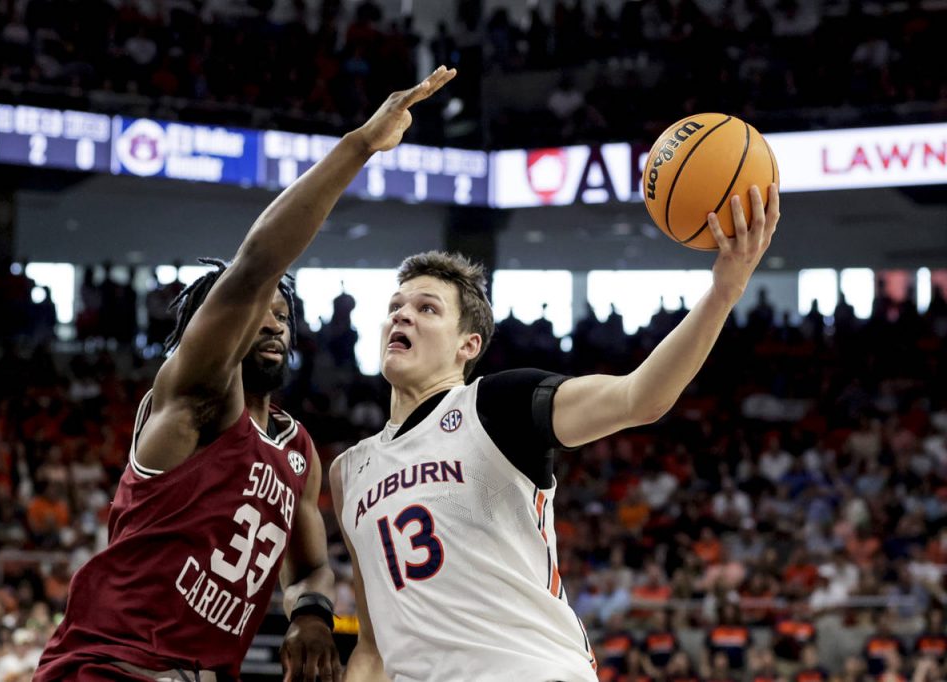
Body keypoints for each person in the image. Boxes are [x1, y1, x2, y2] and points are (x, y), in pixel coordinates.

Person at [34, 66, 458, 682]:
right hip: (112, 665)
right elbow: (259, 262)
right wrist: (360, 145)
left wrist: (310, 616)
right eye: (261, 311)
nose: (274, 323)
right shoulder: (197, 394)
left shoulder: (298, 449)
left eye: (284, 316)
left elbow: (309, 568)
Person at [330, 185, 780, 681]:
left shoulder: (496, 404)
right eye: (396, 305)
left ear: (468, 345)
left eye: (427, 308)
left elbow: (639, 398)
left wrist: (723, 292)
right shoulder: (349, 471)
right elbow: (372, 648)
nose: (401, 314)